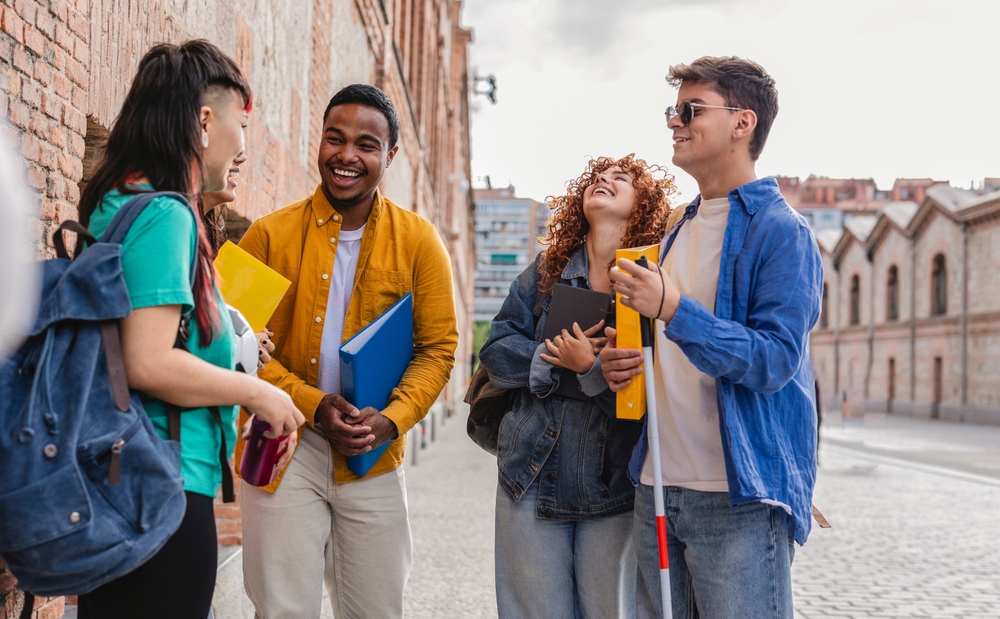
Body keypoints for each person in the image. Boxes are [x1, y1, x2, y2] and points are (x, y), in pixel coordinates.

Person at [73, 40, 305, 619]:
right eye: (239, 124)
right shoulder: (163, 213)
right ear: (204, 120)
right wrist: (260, 391)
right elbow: (149, 361)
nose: (243, 146)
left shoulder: (118, 198)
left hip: (123, 475)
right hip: (161, 485)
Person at [600, 56, 823, 619]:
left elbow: (773, 360)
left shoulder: (783, 233)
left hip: (737, 497)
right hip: (656, 485)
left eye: (690, 110)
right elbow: (669, 354)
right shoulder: (678, 228)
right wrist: (622, 363)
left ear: (742, 123)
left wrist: (674, 308)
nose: (674, 122)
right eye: (673, 111)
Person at [236, 83, 458, 618]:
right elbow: (234, 348)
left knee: (376, 609)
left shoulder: (421, 241)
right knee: (282, 608)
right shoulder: (265, 236)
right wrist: (311, 403)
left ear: (390, 156)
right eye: (335, 139)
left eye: (365, 144)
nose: (346, 156)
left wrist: (393, 419)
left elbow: (439, 349)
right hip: (280, 442)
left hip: (375, 454)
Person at [479, 155, 674, 619]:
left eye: (620, 179)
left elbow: (651, 399)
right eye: (596, 177)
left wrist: (590, 369)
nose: (602, 180)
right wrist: (560, 358)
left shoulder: (655, 283)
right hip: (528, 472)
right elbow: (497, 349)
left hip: (611, 490)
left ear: (643, 205)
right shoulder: (546, 272)